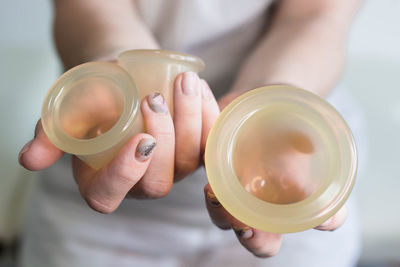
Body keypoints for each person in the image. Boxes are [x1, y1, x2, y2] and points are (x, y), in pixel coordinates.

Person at [18, 0, 365, 266]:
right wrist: (120, 73)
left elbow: (315, 14)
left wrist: (271, 103)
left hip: (289, 158)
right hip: (102, 164)